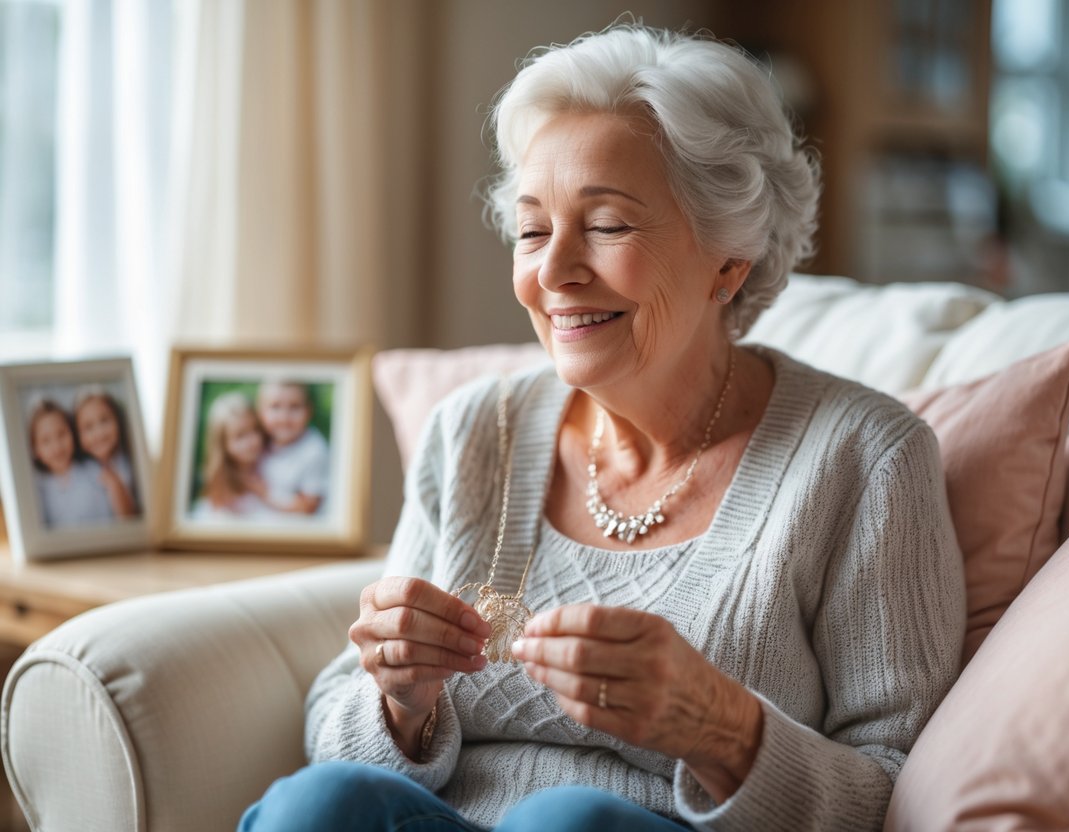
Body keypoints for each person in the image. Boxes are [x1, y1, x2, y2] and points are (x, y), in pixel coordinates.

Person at [242, 24, 965, 831]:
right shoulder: (476, 430)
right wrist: (401, 701)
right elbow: (337, 725)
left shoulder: (865, 459)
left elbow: (895, 791)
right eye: (531, 229)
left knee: (566, 824)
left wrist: (720, 727)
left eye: (608, 225)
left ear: (729, 257)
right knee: (320, 802)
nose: (553, 273)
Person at [28, 398, 113, 529]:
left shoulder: (95, 471)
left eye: (61, 434)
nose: (56, 446)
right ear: (35, 450)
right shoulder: (38, 489)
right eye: (46, 441)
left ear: (73, 433)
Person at [193, 391, 276, 519]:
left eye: (255, 429)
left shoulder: (271, 463)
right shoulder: (220, 485)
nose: (253, 440)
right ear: (223, 444)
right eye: (240, 436)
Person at [255, 380, 330, 516]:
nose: (284, 417)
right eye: (275, 407)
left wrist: (261, 492)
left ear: (309, 411)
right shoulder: (258, 439)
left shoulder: (314, 450)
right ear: (261, 412)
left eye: (294, 407)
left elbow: (308, 506)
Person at [74, 388, 141, 519]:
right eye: (88, 427)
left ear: (118, 420)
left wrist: (114, 484)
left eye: (104, 420)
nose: (99, 433)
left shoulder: (131, 463)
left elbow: (130, 519)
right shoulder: (79, 471)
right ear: (77, 436)